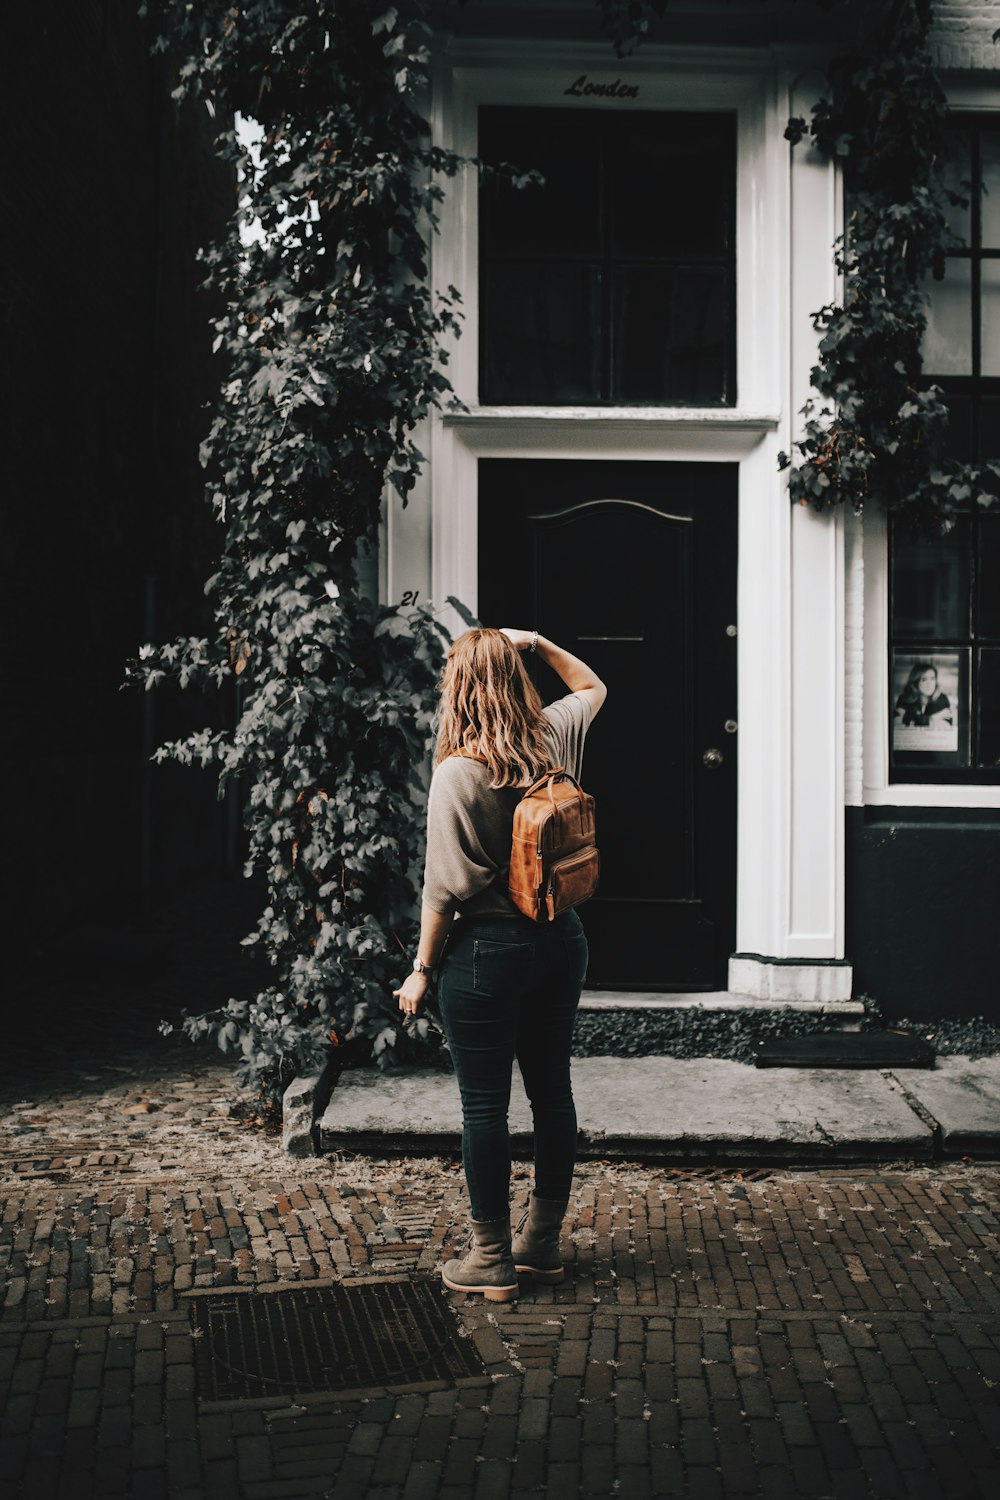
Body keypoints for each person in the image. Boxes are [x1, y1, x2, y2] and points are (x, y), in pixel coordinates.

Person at [393, 626, 607, 1302]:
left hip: (485, 953)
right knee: (553, 1094)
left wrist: (422, 969)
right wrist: (538, 643)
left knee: (484, 1105)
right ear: (513, 680)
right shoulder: (551, 737)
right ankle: (540, 1244)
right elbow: (594, 686)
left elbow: (443, 890)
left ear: (458, 688)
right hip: (560, 940)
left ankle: (489, 1259)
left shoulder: (458, 772)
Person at [894, 662, 953, 728]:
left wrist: (912, 721)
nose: (929, 684)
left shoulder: (942, 698)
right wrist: (931, 719)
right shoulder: (904, 698)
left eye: (932, 679)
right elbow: (896, 721)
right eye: (924, 679)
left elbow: (946, 725)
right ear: (916, 681)